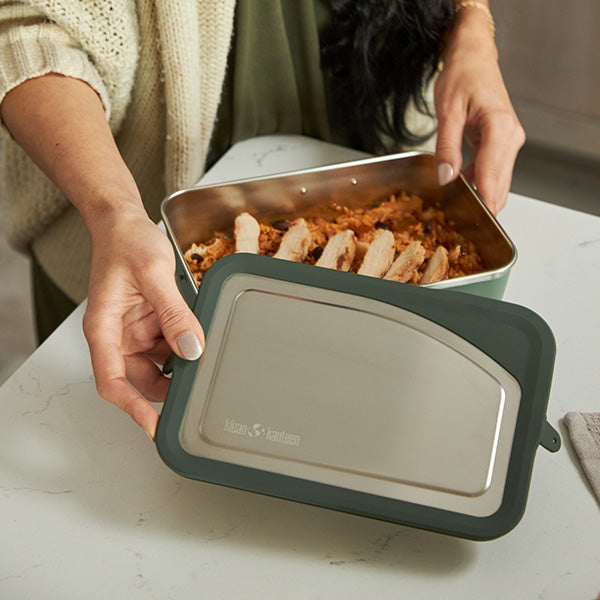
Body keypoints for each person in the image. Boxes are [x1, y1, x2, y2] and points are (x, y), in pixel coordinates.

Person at [0, 0, 524, 441]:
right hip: (129, 247)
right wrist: (115, 211)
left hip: (369, 133)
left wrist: (472, 29)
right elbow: (27, 34)